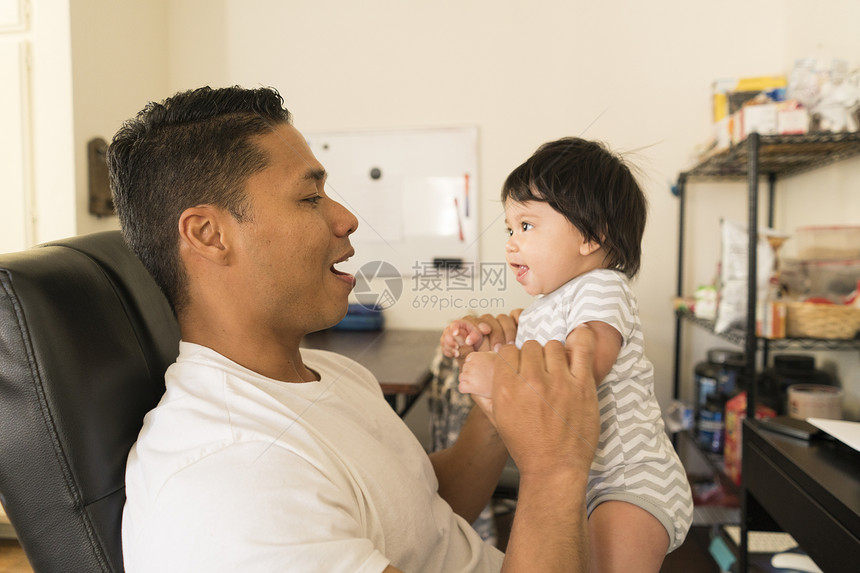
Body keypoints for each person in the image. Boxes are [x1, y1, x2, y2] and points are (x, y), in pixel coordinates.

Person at [108, 86, 600, 572]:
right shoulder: (230, 478)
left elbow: (426, 515)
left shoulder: (330, 373)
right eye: (309, 197)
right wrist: (554, 472)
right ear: (209, 235)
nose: (346, 218)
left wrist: (499, 409)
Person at [441, 137, 694, 572]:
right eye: (508, 228)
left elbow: (580, 372)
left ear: (592, 236)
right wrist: (487, 345)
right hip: (582, 477)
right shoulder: (547, 305)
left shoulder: (602, 287)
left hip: (631, 480)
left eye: (526, 226)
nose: (510, 243)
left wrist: (499, 374)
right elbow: (535, 364)